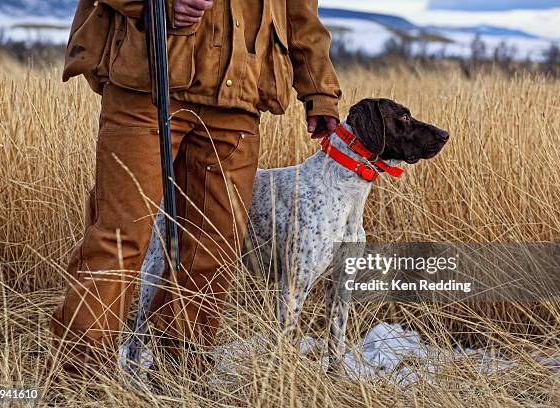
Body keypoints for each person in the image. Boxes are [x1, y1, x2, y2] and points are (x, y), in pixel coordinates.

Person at [49, 0, 342, 373]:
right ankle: (78, 378)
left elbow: (301, 14)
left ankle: (181, 374)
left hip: (239, 96)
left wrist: (320, 92)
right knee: (119, 240)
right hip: (149, 85)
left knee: (212, 249)